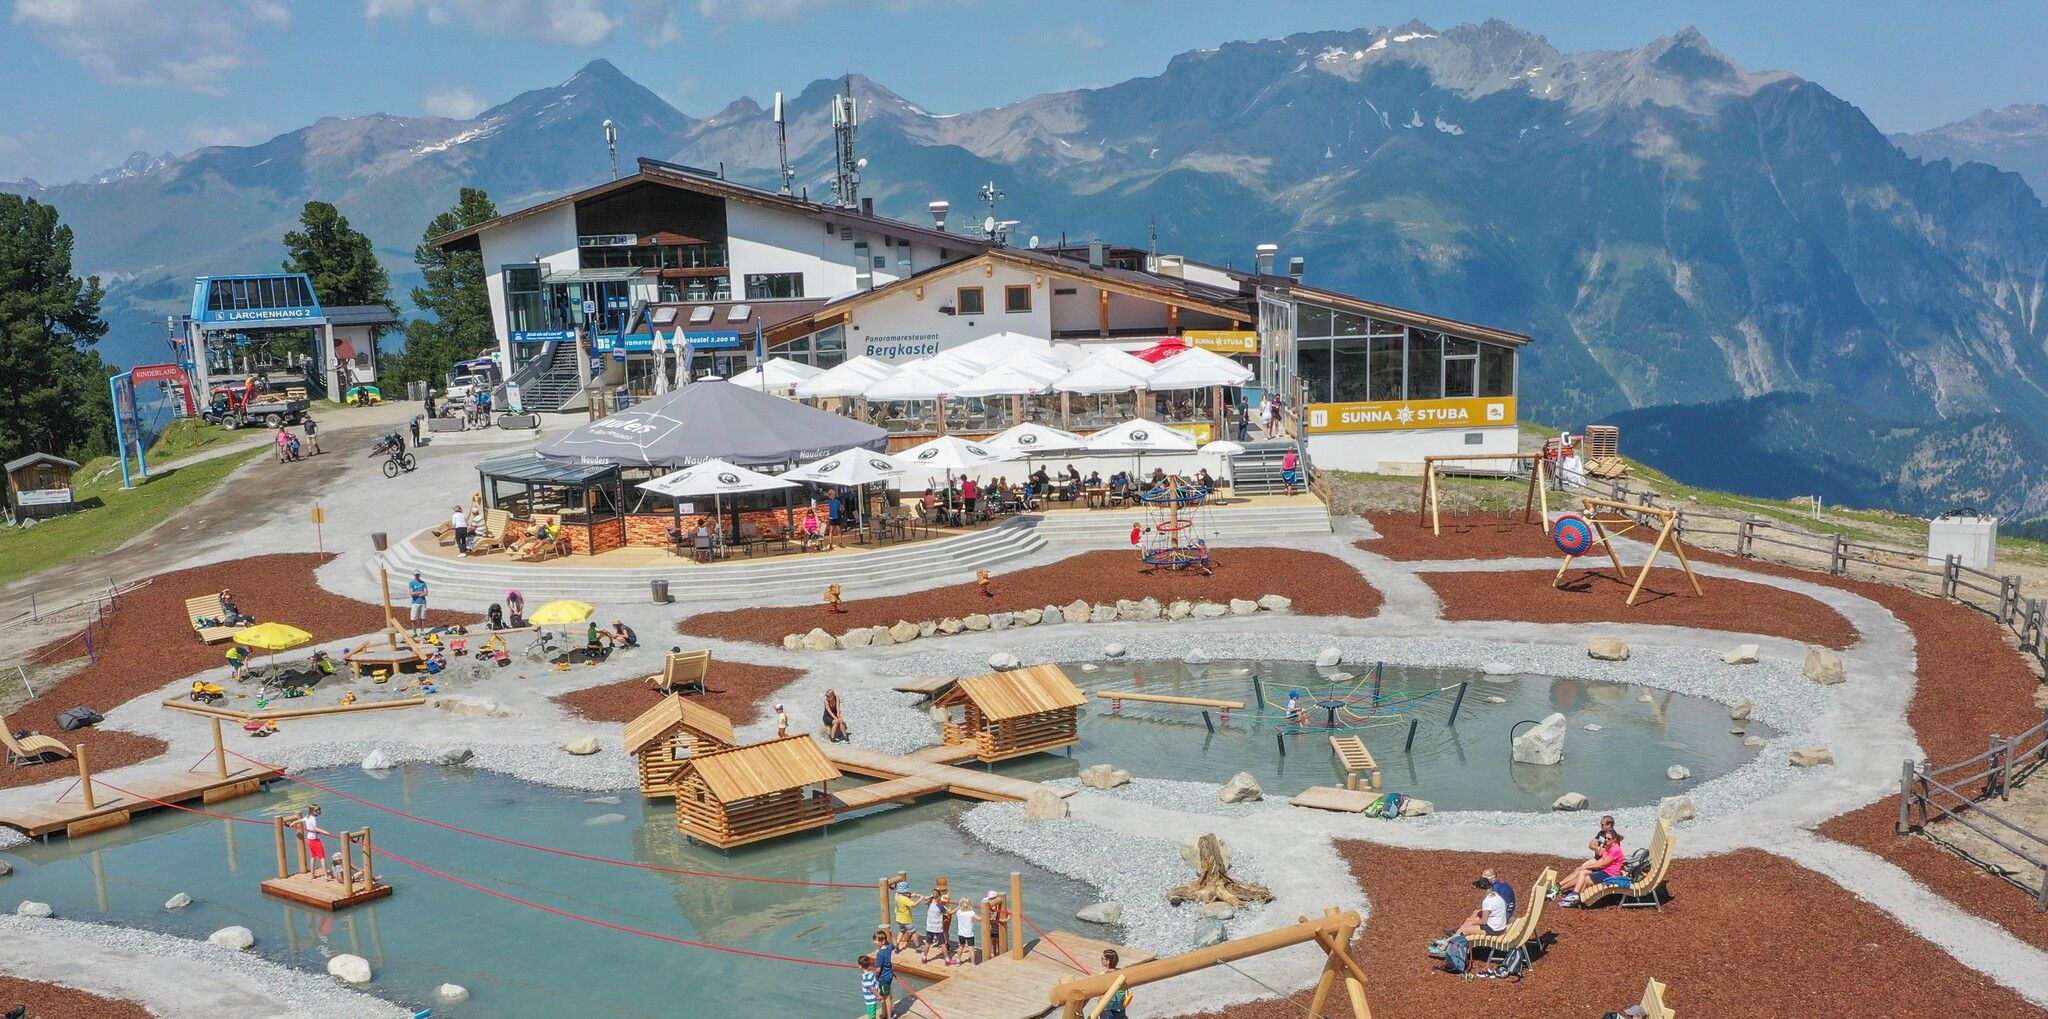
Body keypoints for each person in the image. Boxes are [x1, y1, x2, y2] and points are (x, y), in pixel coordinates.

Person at [1559, 830, 1629, 905]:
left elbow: (1602, 864)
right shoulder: (1609, 847)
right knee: (1583, 872)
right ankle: (1574, 895)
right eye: (1605, 838)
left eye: (1609, 839)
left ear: (1614, 839)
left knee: (1586, 879)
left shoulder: (1615, 850)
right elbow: (1601, 860)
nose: (1606, 840)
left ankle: (1576, 898)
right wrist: (1588, 867)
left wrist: (1587, 866)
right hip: (1604, 871)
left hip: (1610, 875)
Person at [1455, 872, 1511, 939]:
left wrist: (1473, 921)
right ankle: (1457, 932)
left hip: (1495, 929)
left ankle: (1454, 937)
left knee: (1465, 929)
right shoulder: (1495, 894)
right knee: (1472, 916)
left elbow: (1484, 921)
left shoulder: (1487, 901)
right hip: (1499, 924)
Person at [293, 804, 332, 880]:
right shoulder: (313, 818)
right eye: (316, 810)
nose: (319, 811)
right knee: (322, 857)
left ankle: (312, 874)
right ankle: (326, 876)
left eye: (319, 809)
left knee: (313, 856)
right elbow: (315, 828)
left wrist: (294, 822)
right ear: (312, 811)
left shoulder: (308, 816)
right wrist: (324, 832)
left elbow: (301, 820)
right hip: (315, 840)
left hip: (309, 839)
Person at [1098, 950, 1133, 1019]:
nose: (1101, 960)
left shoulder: (1103, 975)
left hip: (1108, 1009)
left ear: (1108, 961)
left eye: (1102, 958)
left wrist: (1098, 1011)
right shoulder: (1122, 973)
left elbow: (1100, 996)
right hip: (1120, 1008)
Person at [892, 881, 919, 950]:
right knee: (913, 932)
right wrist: (920, 899)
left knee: (902, 931)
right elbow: (914, 905)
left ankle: (897, 944)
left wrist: (912, 895)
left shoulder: (897, 895)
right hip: (906, 920)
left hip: (899, 918)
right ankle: (918, 947)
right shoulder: (905, 899)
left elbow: (906, 895)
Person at [952, 898, 979, 966]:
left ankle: (958, 961)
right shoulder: (971, 913)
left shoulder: (959, 912)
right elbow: (979, 919)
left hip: (961, 933)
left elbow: (955, 912)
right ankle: (973, 963)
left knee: (961, 946)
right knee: (971, 949)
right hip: (969, 934)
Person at [858, 954, 882, 1019]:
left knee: (871, 1016)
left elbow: (871, 988)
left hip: (870, 1000)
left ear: (860, 966)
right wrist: (878, 990)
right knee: (872, 1014)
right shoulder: (871, 974)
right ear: (869, 965)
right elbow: (876, 983)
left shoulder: (866, 978)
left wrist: (878, 996)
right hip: (872, 998)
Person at [407, 571, 429, 635]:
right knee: (413, 618)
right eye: (416, 575)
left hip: (423, 602)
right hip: (415, 602)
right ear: (414, 575)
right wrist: (420, 592)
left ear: (419, 575)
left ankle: (422, 631)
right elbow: (412, 593)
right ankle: (414, 632)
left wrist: (417, 594)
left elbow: (426, 593)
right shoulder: (412, 583)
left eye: (418, 574)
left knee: (423, 618)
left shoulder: (423, 583)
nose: (417, 576)